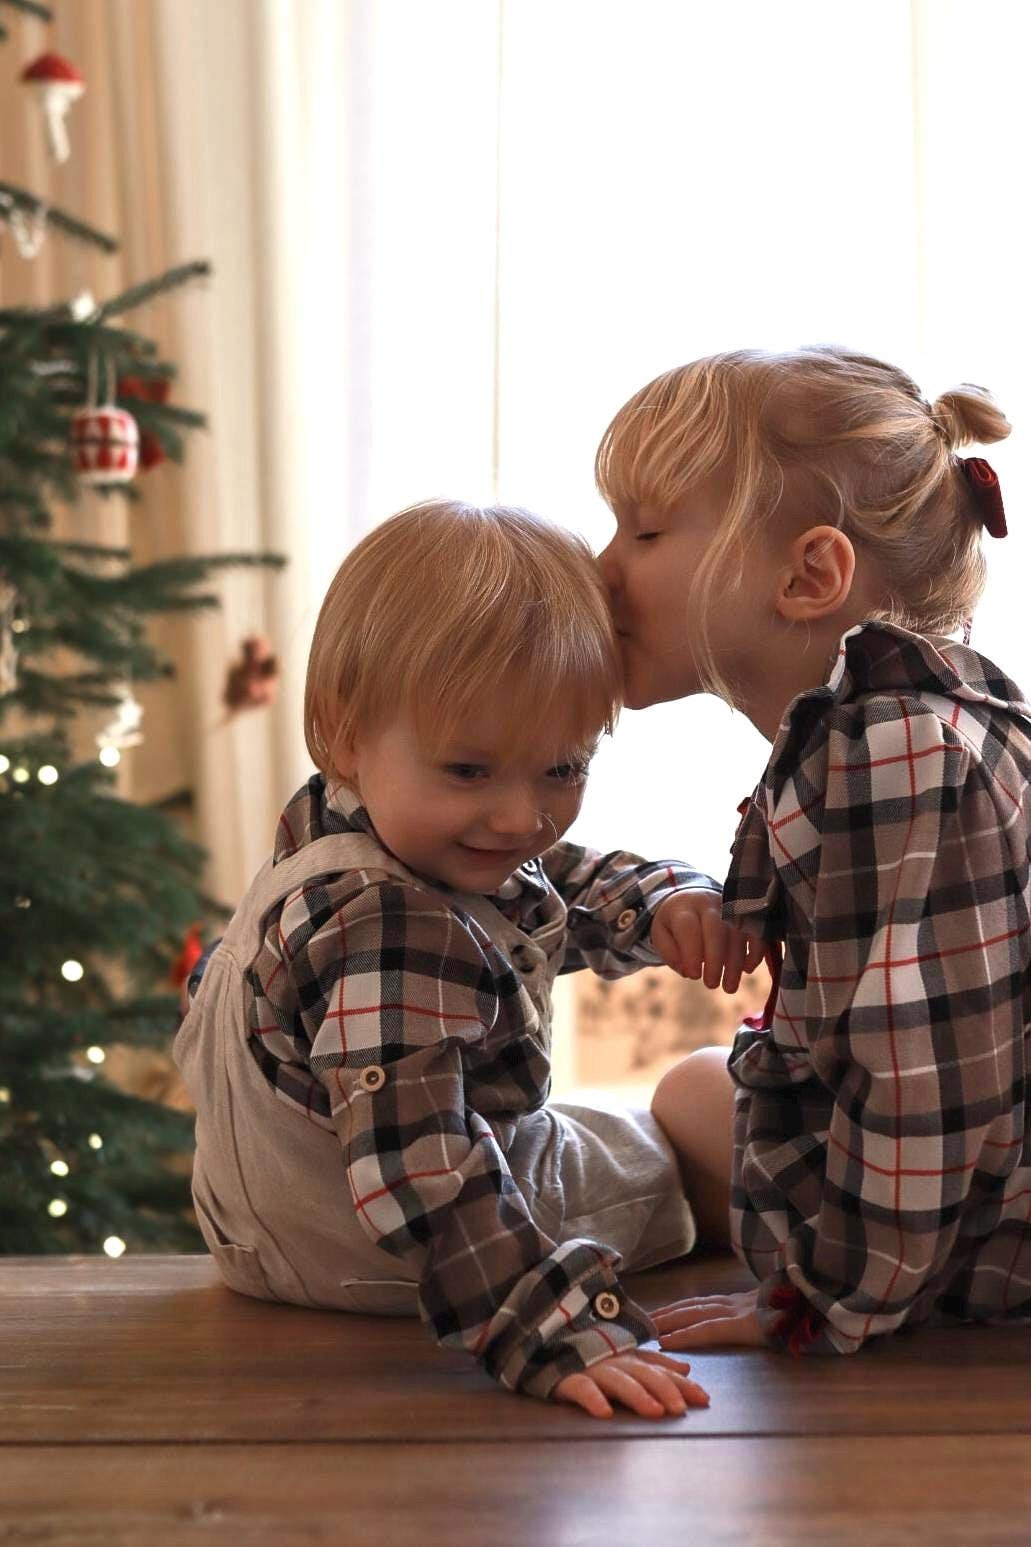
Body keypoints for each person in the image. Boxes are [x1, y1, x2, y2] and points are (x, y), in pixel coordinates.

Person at [174, 498, 761, 1417]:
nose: (519, 816)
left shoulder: (352, 822)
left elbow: (541, 874)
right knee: (703, 1091)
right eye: (470, 772)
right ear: (342, 730)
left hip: (276, 1231)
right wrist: (548, 1330)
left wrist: (659, 897)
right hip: (399, 1251)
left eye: (562, 769)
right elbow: (425, 1169)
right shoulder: (386, 923)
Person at [595, 345, 1031, 1355]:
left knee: (700, 1104)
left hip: (984, 1216)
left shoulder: (898, 750)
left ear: (809, 574)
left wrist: (825, 1299)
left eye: (646, 530)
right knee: (688, 1084)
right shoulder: (885, 722)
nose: (601, 566)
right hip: (955, 1178)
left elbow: (924, 1082)